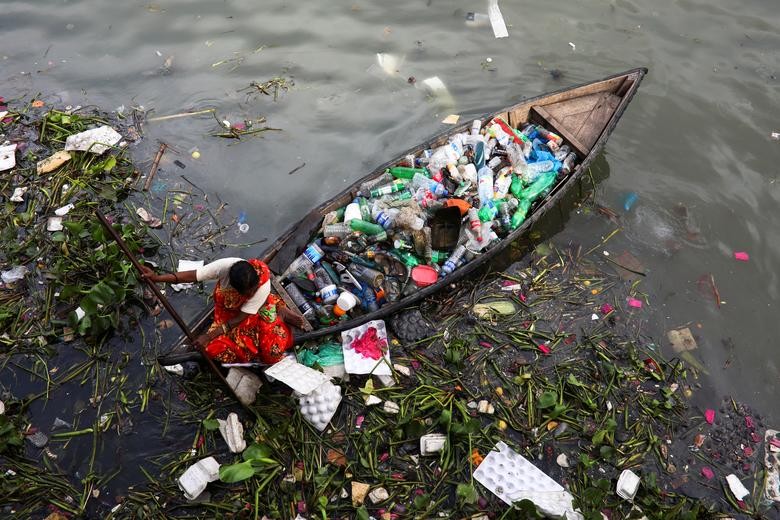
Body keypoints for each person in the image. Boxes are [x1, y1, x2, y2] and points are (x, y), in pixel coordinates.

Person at [140, 258, 306, 364]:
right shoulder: (226, 267)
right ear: (234, 287)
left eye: (252, 290)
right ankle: (276, 306)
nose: (249, 294)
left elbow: (239, 319)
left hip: (245, 315)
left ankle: (278, 308)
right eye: (246, 293)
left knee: (270, 352)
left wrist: (208, 335)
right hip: (227, 313)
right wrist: (157, 278)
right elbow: (192, 276)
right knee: (212, 349)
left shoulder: (262, 286)